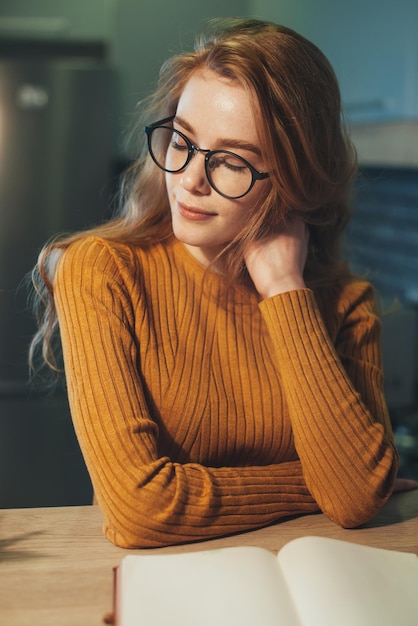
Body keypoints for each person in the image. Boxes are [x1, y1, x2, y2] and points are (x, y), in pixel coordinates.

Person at [30, 17, 416, 549]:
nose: (189, 178)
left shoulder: (346, 305)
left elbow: (353, 499)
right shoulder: (101, 271)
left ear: (293, 179)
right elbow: (141, 507)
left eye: (232, 161)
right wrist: (313, 481)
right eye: (182, 140)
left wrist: (283, 289)